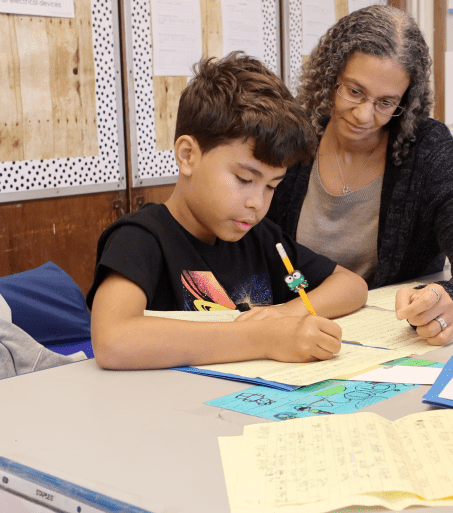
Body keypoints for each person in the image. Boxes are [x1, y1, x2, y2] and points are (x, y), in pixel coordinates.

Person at [86, 52, 368, 370]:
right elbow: (112, 340)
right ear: (188, 155)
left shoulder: (263, 239)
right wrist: (261, 338)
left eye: (271, 186)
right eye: (245, 179)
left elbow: (351, 286)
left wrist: (286, 314)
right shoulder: (142, 239)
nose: (257, 203)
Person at [266, 6, 453, 346]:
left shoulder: (428, 150)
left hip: (390, 344)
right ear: (330, 76)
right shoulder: (290, 137)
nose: (364, 115)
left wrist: (452, 300)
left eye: (386, 102)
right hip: (286, 333)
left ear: (407, 101)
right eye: (354, 91)